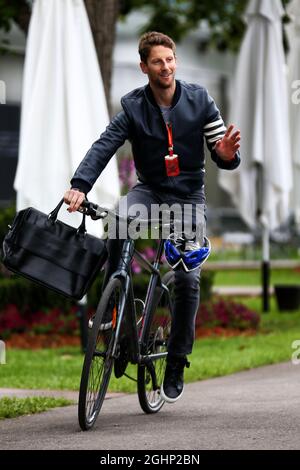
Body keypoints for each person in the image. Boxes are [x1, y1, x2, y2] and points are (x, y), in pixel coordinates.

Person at [64, 31, 240, 404]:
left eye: (170, 59)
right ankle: (116, 303)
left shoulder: (200, 101)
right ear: (144, 67)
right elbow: (104, 146)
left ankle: (176, 359)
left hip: (189, 197)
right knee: (117, 220)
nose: (166, 67)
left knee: (187, 279)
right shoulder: (133, 107)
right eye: (157, 61)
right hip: (149, 191)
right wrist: (80, 185)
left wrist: (224, 154)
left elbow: (222, 151)